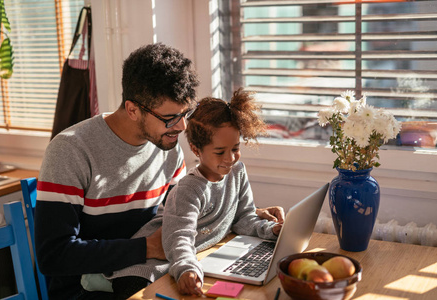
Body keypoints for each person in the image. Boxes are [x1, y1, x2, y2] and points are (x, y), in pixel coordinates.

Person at [35, 43, 284, 300]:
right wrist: (145, 247)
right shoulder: (71, 150)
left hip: (153, 273)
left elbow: (180, 213)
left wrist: (243, 212)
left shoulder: (167, 146)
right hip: (89, 291)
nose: (182, 126)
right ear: (132, 109)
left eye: (185, 112)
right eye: (170, 118)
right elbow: (53, 256)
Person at [104, 88, 284, 297]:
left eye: (235, 148)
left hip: (187, 260)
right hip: (146, 268)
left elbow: (244, 218)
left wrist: (271, 230)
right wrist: (187, 269)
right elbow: (179, 238)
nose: (230, 158)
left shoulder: (237, 172)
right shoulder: (188, 190)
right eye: (220, 152)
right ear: (196, 149)